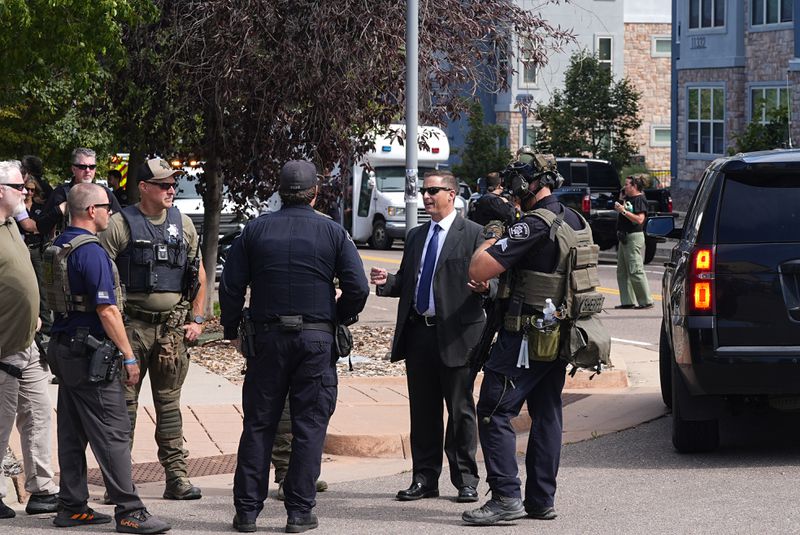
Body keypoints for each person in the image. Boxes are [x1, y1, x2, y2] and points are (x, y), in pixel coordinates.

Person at [220, 159, 369, 533]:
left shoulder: (254, 231)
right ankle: (299, 512)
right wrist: (339, 316)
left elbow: (231, 286)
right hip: (316, 340)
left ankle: (247, 512)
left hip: (267, 339)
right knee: (309, 425)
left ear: (280, 193)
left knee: (259, 424)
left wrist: (232, 329)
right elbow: (359, 287)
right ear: (315, 192)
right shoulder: (333, 232)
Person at [463, 149, 584, 525]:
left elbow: (479, 267)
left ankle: (504, 497)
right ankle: (540, 500)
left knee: (495, 411)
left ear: (530, 182)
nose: (511, 189)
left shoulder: (532, 224)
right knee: (547, 413)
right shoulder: (576, 219)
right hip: (561, 333)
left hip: (526, 338)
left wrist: (494, 234)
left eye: (515, 181)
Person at [45, 182, 170, 533]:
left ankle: (72, 505)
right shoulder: (92, 252)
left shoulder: (58, 245)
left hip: (63, 347)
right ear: (90, 211)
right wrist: (129, 356)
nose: (111, 213)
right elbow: (107, 310)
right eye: (106, 207)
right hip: (90, 353)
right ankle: (129, 510)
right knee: (113, 430)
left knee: (72, 430)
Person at [370, 169, 488, 505]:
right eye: (424, 191)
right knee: (423, 412)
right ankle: (424, 478)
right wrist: (386, 281)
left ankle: (466, 479)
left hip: (457, 337)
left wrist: (484, 286)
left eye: (434, 190)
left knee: (461, 411)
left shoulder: (474, 235)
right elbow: (408, 282)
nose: (427, 196)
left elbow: (492, 283)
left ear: (452, 194)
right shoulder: (416, 236)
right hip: (419, 334)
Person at [98, 157, 207, 501]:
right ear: (144, 187)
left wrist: (198, 319)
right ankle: (120, 484)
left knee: (169, 405)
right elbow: (102, 275)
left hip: (171, 332)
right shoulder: (119, 224)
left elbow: (199, 275)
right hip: (131, 328)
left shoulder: (184, 224)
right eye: (163, 184)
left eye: (172, 184)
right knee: (124, 407)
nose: (170, 190)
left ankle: (177, 477)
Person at [0, 160, 59, 520]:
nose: (26, 192)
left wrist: (32, 311)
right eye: (19, 187)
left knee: (38, 413)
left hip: (26, 344)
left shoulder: (10, 225)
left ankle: (42, 490)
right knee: (1, 422)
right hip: (3, 348)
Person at [37, 148, 122, 239]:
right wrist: (58, 211)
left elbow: (120, 223)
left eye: (92, 167)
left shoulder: (104, 193)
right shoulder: (61, 193)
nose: (88, 170)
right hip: (68, 247)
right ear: (73, 169)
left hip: (97, 247)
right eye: (83, 167)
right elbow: (41, 227)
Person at [613, 174, 653, 310]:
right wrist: (621, 201)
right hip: (624, 238)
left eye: (627, 184)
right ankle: (627, 301)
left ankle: (646, 301)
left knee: (635, 269)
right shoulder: (628, 198)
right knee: (622, 271)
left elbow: (640, 219)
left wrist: (623, 211)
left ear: (634, 186)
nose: (625, 186)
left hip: (633, 237)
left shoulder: (640, 199)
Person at [19, 176, 52, 333]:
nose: (30, 192)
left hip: (36, 249)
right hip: (21, 249)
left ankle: (45, 323)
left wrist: (36, 228)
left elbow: (44, 227)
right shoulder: (17, 206)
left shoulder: (40, 206)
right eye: (28, 189)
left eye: (33, 190)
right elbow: (29, 226)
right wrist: (34, 227)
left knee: (41, 285)